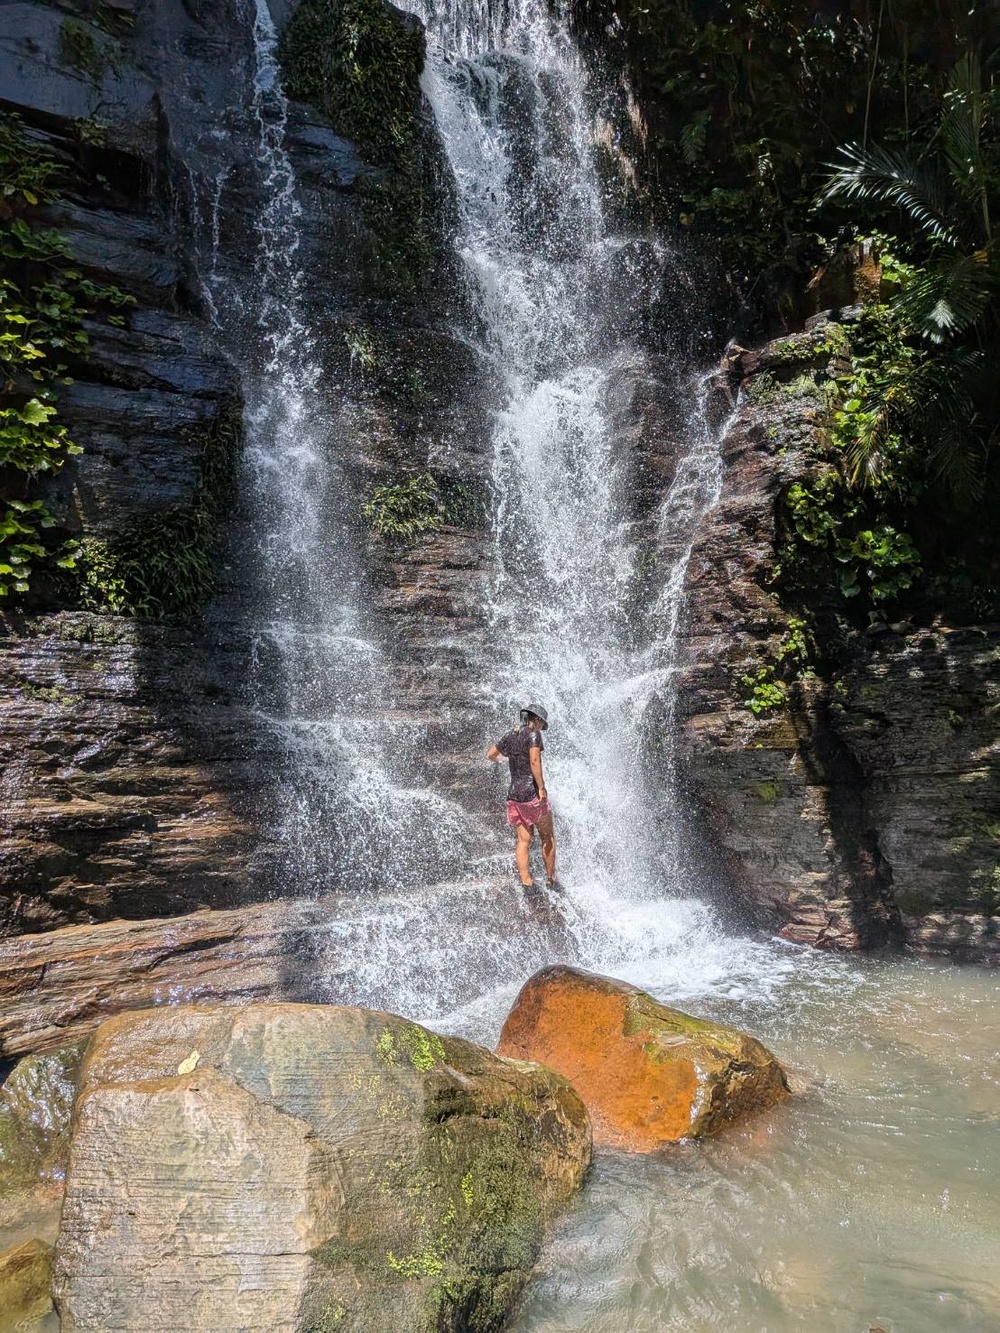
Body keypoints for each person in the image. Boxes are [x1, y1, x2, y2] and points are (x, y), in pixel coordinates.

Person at [486, 704, 559, 891]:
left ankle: (527, 882)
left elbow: (490, 754)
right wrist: (541, 788)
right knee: (547, 836)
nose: (542, 727)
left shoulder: (512, 734)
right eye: (542, 723)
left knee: (524, 840)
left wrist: (505, 759)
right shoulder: (533, 734)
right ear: (537, 720)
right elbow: (535, 761)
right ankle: (551, 880)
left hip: (515, 795)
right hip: (531, 794)